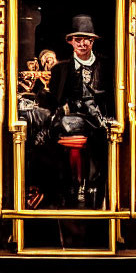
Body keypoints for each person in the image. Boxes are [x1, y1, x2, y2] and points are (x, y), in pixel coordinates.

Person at [40, 14, 112, 209]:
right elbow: (52, 101)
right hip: (68, 126)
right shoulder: (60, 69)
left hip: (99, 127)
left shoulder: (106, 66)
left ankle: (94, 194)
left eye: (86, 39)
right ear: (71, 42)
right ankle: (66, 194)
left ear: (93, 41)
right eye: (77, 39)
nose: (82, 44)